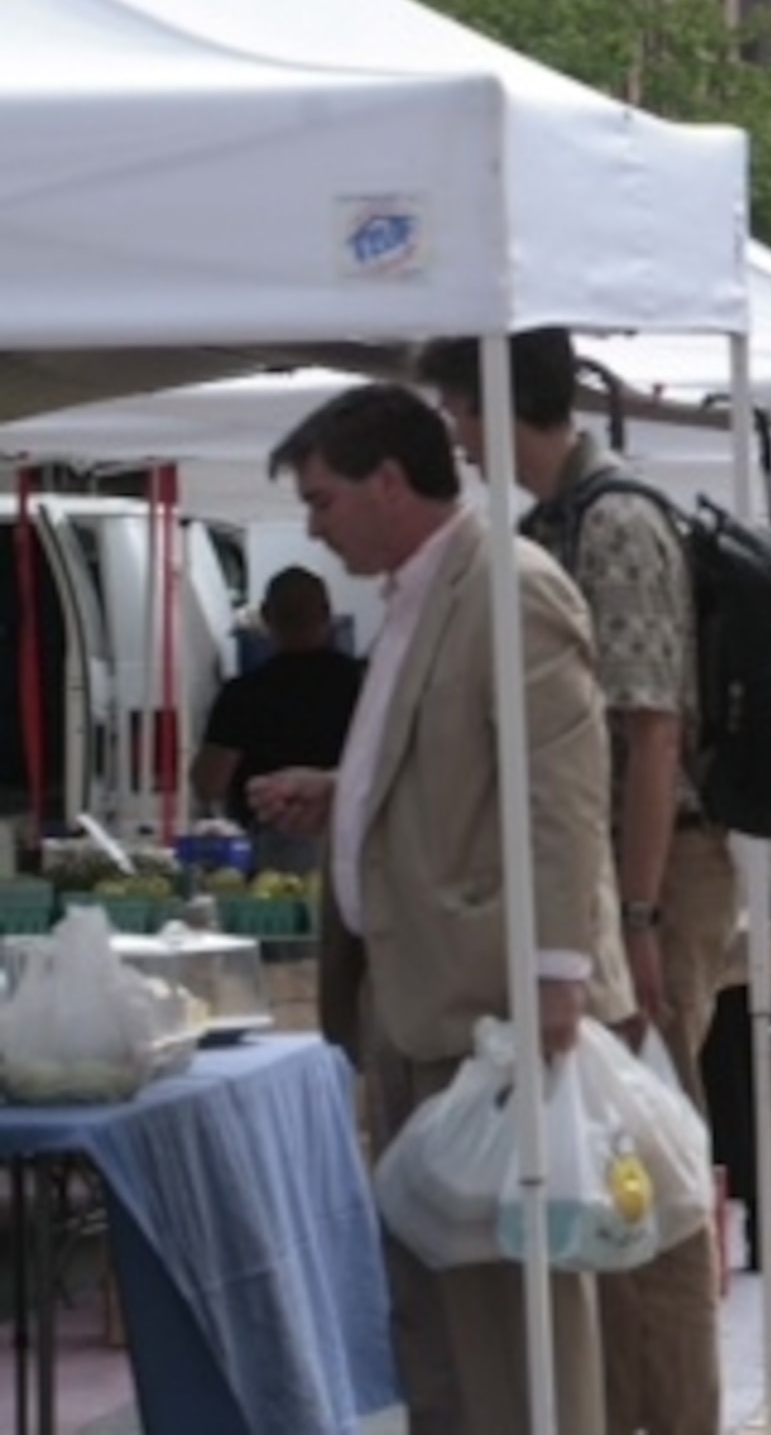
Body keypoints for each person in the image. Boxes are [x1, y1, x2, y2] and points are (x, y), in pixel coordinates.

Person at [248, 383, 628, 1435]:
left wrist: (557, 974)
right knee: (436, 1308)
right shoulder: (425, 590)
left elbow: (562, 788)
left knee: (510, 1313)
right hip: (421, 997)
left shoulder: (509, 587)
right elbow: (460, 760)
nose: (314, 528)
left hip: (486, 1002)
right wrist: (344, 791)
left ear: (385, 480)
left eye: (322, 500)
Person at [415, 328, 724, 1435]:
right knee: (613, 1162)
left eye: (455, 409)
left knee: (656, 1166)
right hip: (610, 878)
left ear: (499, 403)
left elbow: (652, 735)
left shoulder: (616, 521)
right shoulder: (555, 520)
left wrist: (635, 913)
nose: (449, 434)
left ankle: (680, 1414)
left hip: (651, 874)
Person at [191, 566, 364, 874]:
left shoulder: (242, 694)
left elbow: (210, 783)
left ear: (267, 618)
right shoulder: (368, 684)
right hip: (355, 837)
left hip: (274, 846)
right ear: (327, 614)